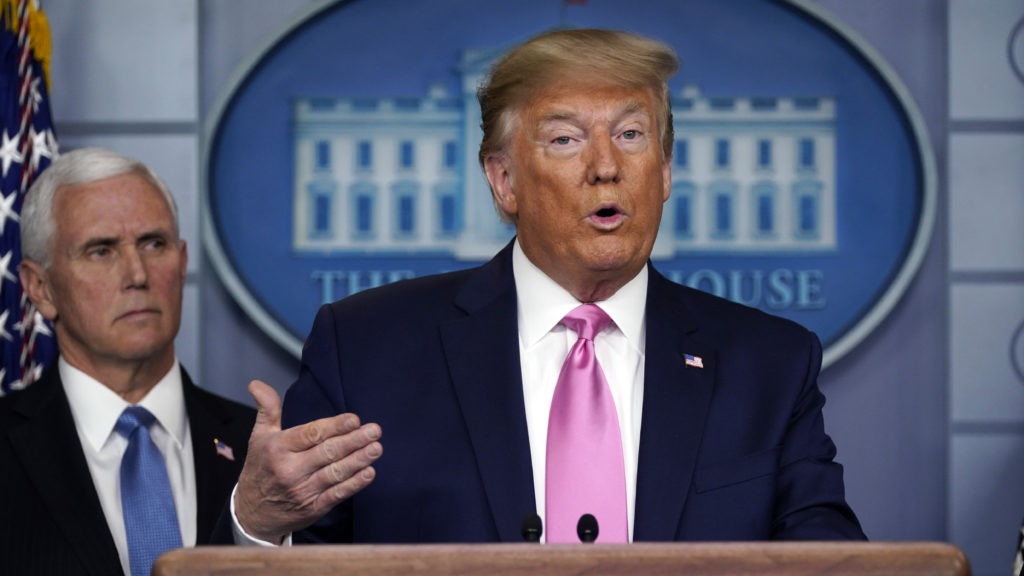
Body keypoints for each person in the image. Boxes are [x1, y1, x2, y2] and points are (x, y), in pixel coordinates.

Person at [229, 28, 866, 545]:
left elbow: (829, 556)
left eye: (631, 134)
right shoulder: (368, 347)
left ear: (665, 170)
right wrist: (259, 521)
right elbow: (305, 552)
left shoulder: (769, 364)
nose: (606, 167)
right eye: (565, 139)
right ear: (504, 181)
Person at [0, 147, 256, 575]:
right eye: (101, 250)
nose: (138, 274)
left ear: (183, 261)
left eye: (154, 243)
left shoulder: (261, 451)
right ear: (40, 288)